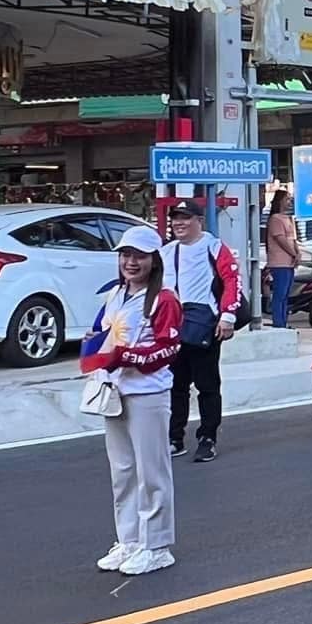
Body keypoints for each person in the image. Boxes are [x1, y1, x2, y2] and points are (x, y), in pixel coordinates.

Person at [83, 226, 185, 576]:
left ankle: (156, 546)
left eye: (138, 256)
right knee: (123, 472)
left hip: (148, 393)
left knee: (151, 472)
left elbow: (168, 349)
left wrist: (125, 356)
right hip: (113, 392)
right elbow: (99, 333)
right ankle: (129, 541)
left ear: (153, 261)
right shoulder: (114, 293)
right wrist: (93, 350)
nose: (130, 262)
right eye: (125, 255)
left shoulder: (164, 299)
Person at [164, 198, 241, 464]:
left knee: (207, 385)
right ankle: (174, 438)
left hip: (204, 324)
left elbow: (232, 280)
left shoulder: (213, 246)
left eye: (185, 218)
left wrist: (227, 317)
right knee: (176, 386)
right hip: (174, 327)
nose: (179, 223)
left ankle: (207, 438)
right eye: (175, 218)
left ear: (199, 221)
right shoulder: (168, 251)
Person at [263, 190, 303, 330]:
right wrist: (293, 253)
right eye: (287, 199)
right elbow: (281, 240)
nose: (289, 202)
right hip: (279, 262)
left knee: (286, 294)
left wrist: (297, 253)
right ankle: (278, 322)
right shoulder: (275, 219)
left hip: (289, 263)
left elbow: (293, 239)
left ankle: (284, 321)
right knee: (279, 294)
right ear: (280, 201)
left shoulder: (288, 219)